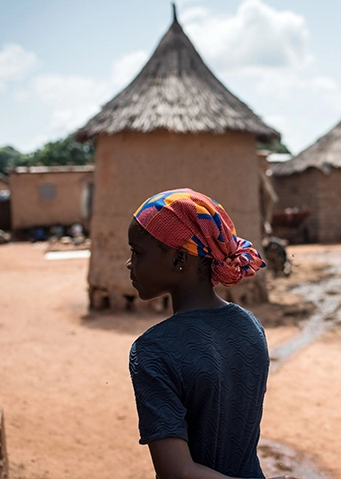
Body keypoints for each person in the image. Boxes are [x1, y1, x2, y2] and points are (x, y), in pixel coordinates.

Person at [126, 188, 296, 479]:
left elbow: (177, 472)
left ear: (179, 259)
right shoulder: (250, 326)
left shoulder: (153, 349)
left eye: (137, 252)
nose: (130, 264)